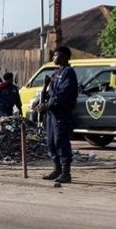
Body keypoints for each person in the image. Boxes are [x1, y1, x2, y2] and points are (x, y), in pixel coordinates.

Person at [41, 46, 78, 183]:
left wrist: (48, 104)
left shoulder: (69, 72)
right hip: (52, 113)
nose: (53, 58)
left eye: (56, 55)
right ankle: (57, 169)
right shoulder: (56, 73)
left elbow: (63, 93)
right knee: (51, 142)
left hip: (62, 112)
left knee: (60, 141)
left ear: (64, 57)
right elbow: (51, 93)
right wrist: (42, 101)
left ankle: (66, 172)